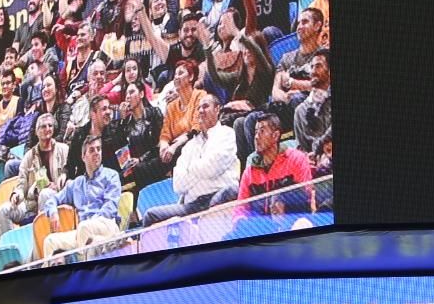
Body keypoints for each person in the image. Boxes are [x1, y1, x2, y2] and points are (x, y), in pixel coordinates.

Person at [144, 94, 239, 224]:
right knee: (151, 216)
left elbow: (211, 169)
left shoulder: (226, 134)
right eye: (198, 108)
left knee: (231, 191)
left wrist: (191, 168)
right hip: (193, 205)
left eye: (205, 106)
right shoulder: (189, 146)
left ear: (217, 109)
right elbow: (178, 185)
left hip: (217, 196)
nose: (200, 111)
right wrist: (202, 167)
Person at [43, 134, 122, 258]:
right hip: (83, 232)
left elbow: (110, 208)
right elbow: (53, 199)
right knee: (50, 241)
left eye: (98, 149)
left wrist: (92, 222)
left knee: (84, 227)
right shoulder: (76, 184)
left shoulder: (111, 176)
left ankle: (81, 269)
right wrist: (52, 212)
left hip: (107, 225)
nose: (96, 153)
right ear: (83, 157)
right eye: (92, 150)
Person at [237, 113, 315, 215]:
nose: (256, 137)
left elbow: (307, 196)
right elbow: (240, 209)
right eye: (255, 132)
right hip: (260, 227)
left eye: (262, 131)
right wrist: (240, 221)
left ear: (275, 136)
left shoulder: (296, 159)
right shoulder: (249, 172)